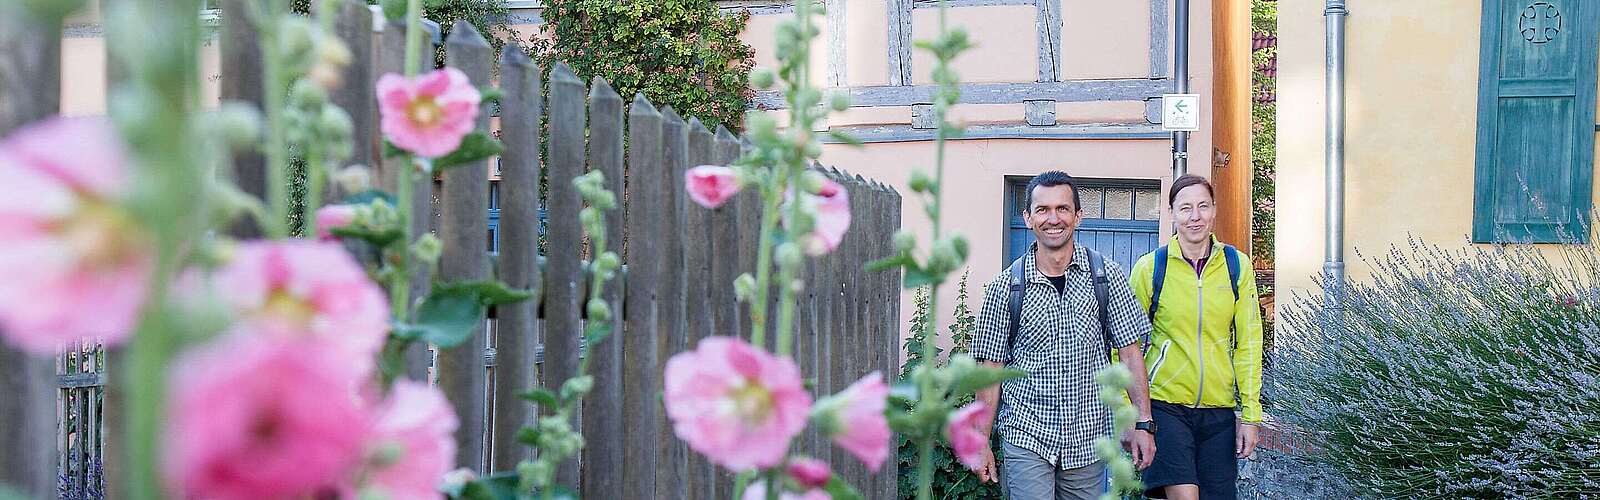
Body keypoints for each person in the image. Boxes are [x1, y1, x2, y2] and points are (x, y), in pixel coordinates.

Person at [970, 171, 1157, 500]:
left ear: (1078, 216)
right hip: (1027, 436)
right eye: (1042, 209)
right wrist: (981, 440)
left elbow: (1130, 354)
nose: (1053, 218)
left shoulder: (1106, 277)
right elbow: (990, 370)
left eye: (1062, 209)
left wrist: (1143, 422)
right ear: (1028, 218)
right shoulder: (1005, 288)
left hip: (1087, 441)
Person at [1129, 174, 1264, 500]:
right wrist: (1131, 415)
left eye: (1203, 206)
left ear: (1214, 210)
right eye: (1185, 208)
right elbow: (1123, 345)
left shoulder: (1236, 266)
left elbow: (1248, 343)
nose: (1195, 216)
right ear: (1172, 213)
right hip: (1165, 407)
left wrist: (1250, 415)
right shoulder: (1151, 268)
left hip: (1218, 411)